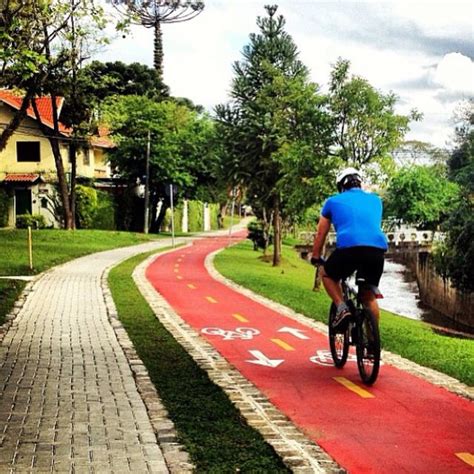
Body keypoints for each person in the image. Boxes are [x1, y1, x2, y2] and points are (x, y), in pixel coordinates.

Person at [311, 167, 388, 328]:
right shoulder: (376, 200)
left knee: (326, 274)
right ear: (360, 184)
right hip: (376, 251)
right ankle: (373, 344)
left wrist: (316, 256)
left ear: (341, 186)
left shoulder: (332, 202)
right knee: (368, 296)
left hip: (349, 250)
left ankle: (341, 307)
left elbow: (320, 234)